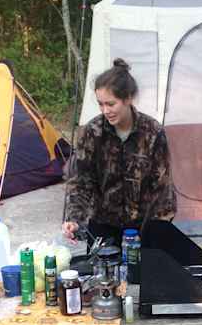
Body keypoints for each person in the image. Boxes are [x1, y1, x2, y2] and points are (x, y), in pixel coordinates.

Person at [61, 58, 176, 242]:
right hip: (103, 228)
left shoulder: (153, 132)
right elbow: (80, 182)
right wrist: (74, 219)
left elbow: (162, 189)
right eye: (101, 104)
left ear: (128, 98)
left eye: (111, 104)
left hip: (144, 229)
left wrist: (157, 230)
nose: (105, 110)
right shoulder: (92, 132)